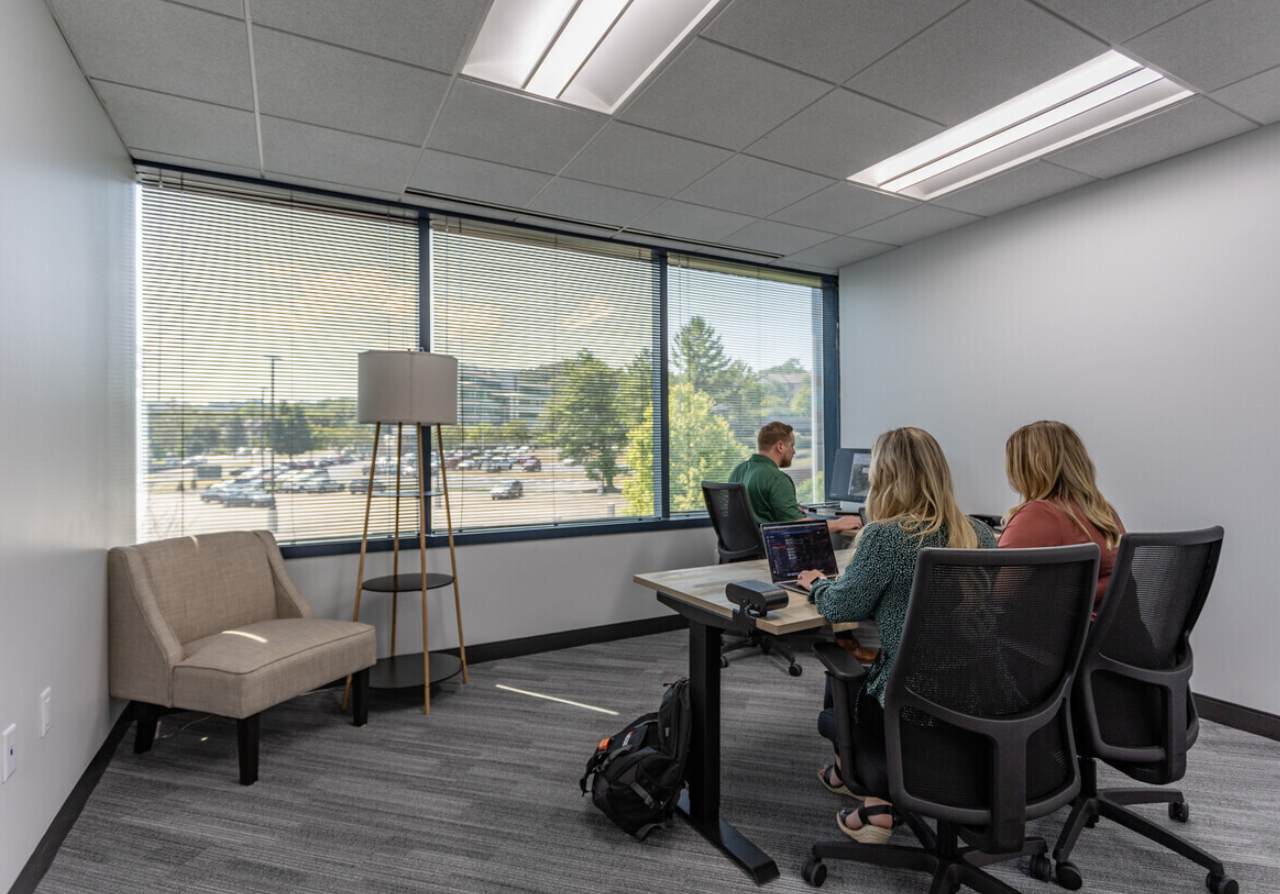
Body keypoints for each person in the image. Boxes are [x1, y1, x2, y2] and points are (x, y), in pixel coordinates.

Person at [795, 427, 997, 843]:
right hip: (973, 697)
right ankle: (857, 787)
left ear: (885, 478)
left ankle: (872, 804)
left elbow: (840, 607)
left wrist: (817, 583)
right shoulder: (980, 533)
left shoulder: (886, 537)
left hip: (907, 706)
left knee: (842, 666)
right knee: (859, 660)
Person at [998, 421, 1125, 614]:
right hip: (1114, 636)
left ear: (1028, 467)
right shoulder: (1104, 511)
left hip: (1060, 639)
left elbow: (999, 590)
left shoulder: (1040, 514)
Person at [728, 421, 860, 535]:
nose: (794, 451)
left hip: (746, 550)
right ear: (780, 446)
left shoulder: (738, 471)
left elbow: (757, 508)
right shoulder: (777, 478)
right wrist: (837, 524)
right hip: (771, 552)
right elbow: (800, 526)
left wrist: (788, 509)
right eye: (791, 445)